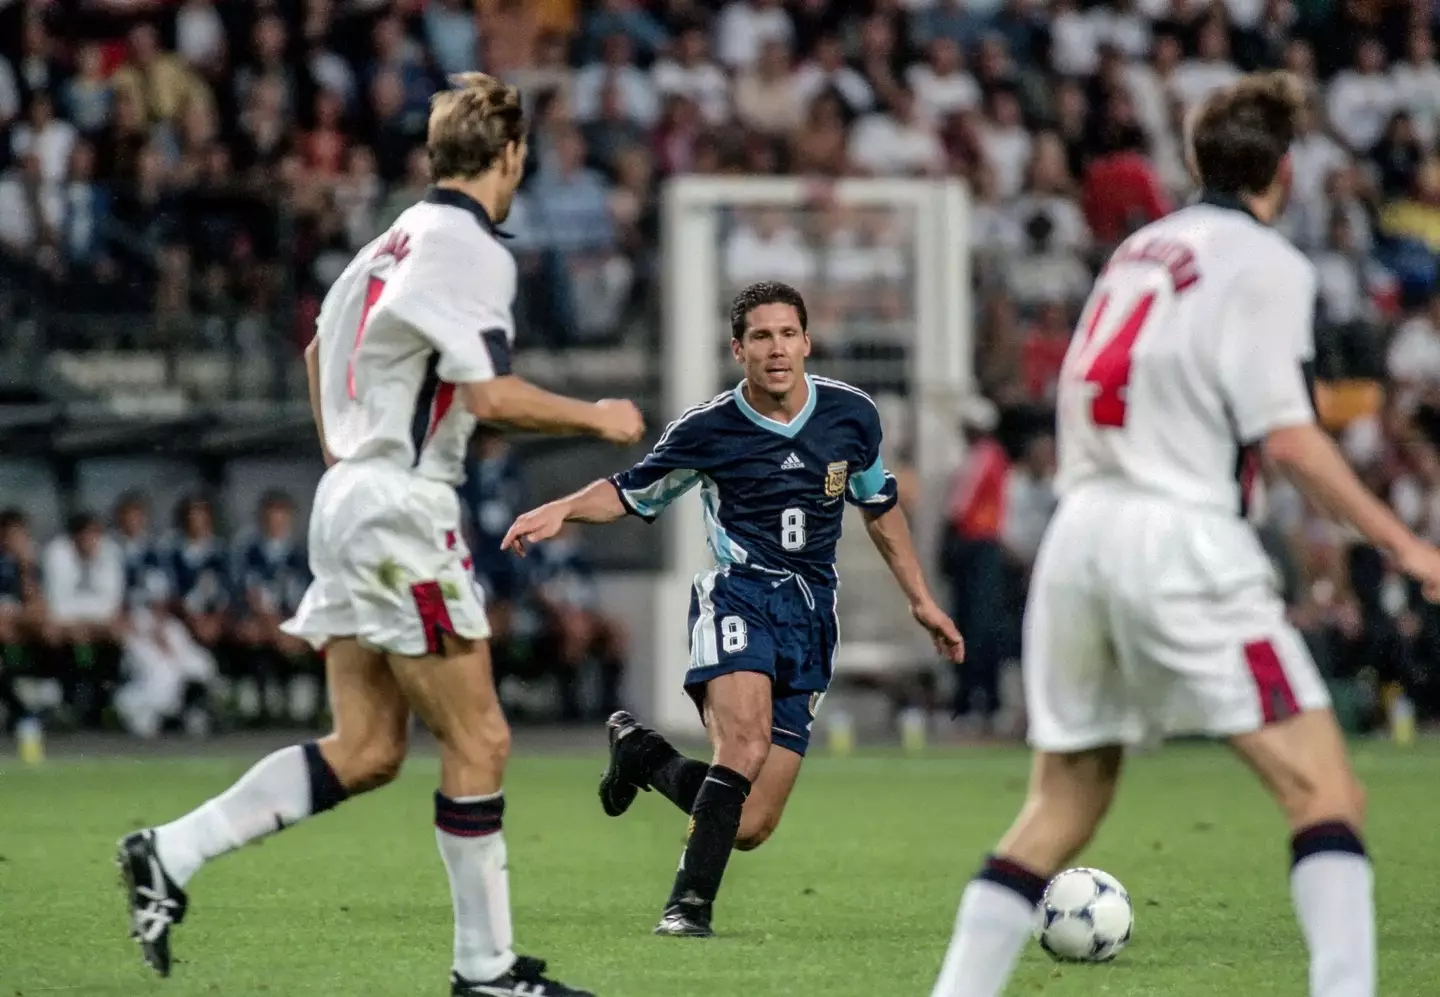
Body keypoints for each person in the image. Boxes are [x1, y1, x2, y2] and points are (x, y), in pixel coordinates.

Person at [116, 73, 644, 997]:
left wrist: (353, 460)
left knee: (366, 748)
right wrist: (598, 417)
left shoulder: (384, 243)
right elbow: (489, 398)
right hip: (400, 504)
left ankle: (168, 850)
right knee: (480, 737)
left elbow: (320, 348)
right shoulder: (470, 247)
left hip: (350, 492)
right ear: (511, 156)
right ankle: (484, 973)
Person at [929, 71, 1440, 997]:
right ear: (1283, 171)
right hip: (1181, 536)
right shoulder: (1268, 263)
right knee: (1327, 794)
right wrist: (1404, 546)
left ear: (1197, 160)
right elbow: (1288, 437)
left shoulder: (1138, 251)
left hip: (1080, 539)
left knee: (1063, 803)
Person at [502, 280, 964, 937]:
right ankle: (687, 905)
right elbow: (634, 493)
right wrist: (562, 507)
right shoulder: (707, 428)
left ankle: (642, 754)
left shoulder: (851, 415)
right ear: (738, 349)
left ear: (806, 341)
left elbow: (879, 505)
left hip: (810, 617)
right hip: (739, 593)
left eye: (786, 334)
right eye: (760, 337)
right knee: (742, 743)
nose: (776, 348)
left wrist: (921, 598)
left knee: (748, 825)